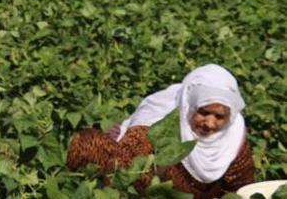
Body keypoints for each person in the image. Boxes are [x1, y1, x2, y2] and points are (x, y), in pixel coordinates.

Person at [66, 64, 254, 198]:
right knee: (88, 144)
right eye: (203, 112)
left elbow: (241, 185)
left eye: (219, 116)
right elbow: (128, 172)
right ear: (189, 105)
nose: (210, 124)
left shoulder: (233, 132)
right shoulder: (155, 125)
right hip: (155, 193)